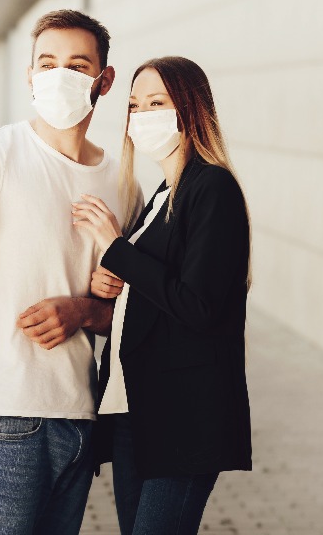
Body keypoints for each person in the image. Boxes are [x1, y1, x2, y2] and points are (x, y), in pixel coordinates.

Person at [0, 9, 142, 535]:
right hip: (5, 416)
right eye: (47, 63)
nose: (61, 75)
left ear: (103, 81)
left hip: (80, 419)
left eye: (78, 65)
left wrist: (88, 308)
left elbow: (132, 315)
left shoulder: (123, 183)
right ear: (30, 76)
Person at [72, 56, 253, 534]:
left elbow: (199, 306)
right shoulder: (161, 195)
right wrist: (112, 284)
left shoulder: (212, 188)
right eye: (133, 105)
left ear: (190, 109)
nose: (141, 116)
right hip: (138, 408)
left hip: (184, 416)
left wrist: (116, 248)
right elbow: (155, 290)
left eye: (157, 102)